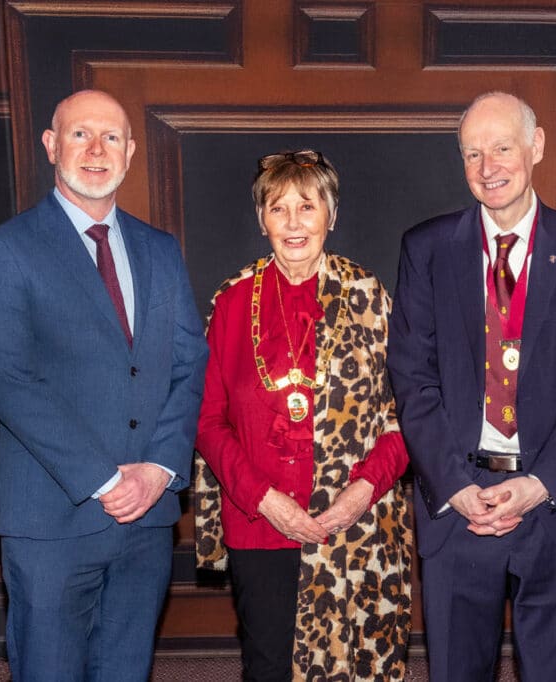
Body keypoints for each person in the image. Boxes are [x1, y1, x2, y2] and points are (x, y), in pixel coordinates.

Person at [0, 90, 209, 681]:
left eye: (112, 138)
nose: (96, 150)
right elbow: (6, 378)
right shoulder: (4, 250)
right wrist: (102, 479)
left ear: (129, 155)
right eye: (80, 135)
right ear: (51, 145)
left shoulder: (160, 250)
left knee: (125, 670)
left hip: (147, 517)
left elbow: (189, 363)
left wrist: (159, 469)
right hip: (52, 519)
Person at [387, 92, 556, 681]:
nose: (488, 167)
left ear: (535, 146)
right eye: (472, 153)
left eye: (501, 147)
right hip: (458, 509)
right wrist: (456, 486)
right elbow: (412, 382)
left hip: (553, 508)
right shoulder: (426, 249)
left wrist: (539, 485)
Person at [193, 149, 413, 681]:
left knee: (357, 664)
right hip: (261, 524)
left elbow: (405, 418)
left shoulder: (370, 297)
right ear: (261, 219)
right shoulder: (232, 300)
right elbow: (207, 422)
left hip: (356, 524)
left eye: (307, 207)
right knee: (268, 666)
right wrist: (266, 501)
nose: (294, 223)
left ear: (330, 216)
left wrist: (360, 492)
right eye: (278, 208)